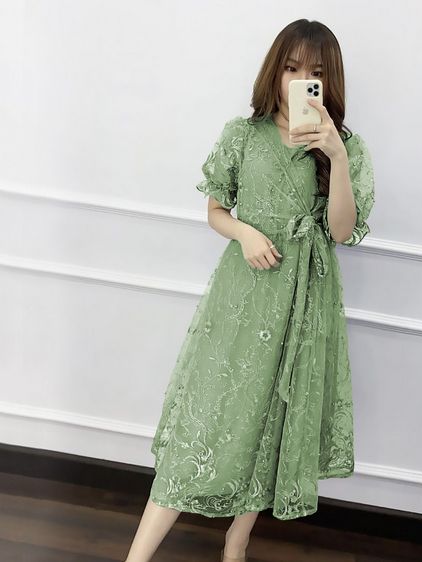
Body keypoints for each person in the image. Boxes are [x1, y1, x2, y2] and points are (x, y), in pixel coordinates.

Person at [124, 18, 375, 562]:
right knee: (207, 415)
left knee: (274, 422)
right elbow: (216, 208)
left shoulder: (346, 148)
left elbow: (340, 232)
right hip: (244, 295)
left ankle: (235, 546)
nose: (300, 81)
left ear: (329, 80)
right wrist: (244, 232)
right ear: (274, 70)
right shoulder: (243, 134)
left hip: (305, 301)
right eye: (291, 67)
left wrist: (335, 155)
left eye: (314, 72)